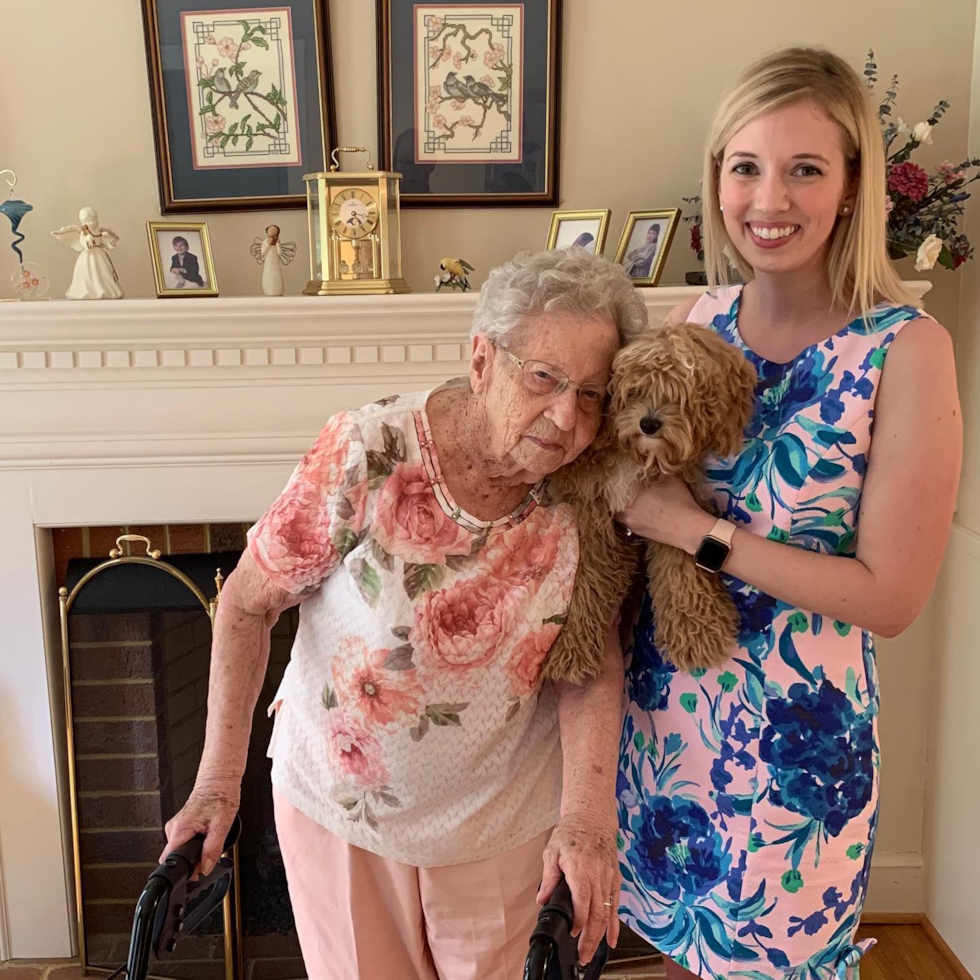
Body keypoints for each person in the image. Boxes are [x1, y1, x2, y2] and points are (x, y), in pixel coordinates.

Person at [161, 247, 648, 980]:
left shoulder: (591, 493)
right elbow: (246, 602)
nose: (566, 416)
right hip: (342, 815)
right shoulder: (370, 451)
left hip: (504, 825)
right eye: (544, 378)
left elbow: (590, 660)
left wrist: (586, 821)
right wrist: (216, 784)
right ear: (482, 360)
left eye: (592, 393)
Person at [615, 47, 961, 980]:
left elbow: (890, 597)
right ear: (717, 180)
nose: (769, 199)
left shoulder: (906, 349)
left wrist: (696, 533)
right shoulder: (701, 318)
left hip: (794, 751)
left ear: (852, 188)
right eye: (746, 167)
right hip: (667, 718)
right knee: (676, 955)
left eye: (806, 168)